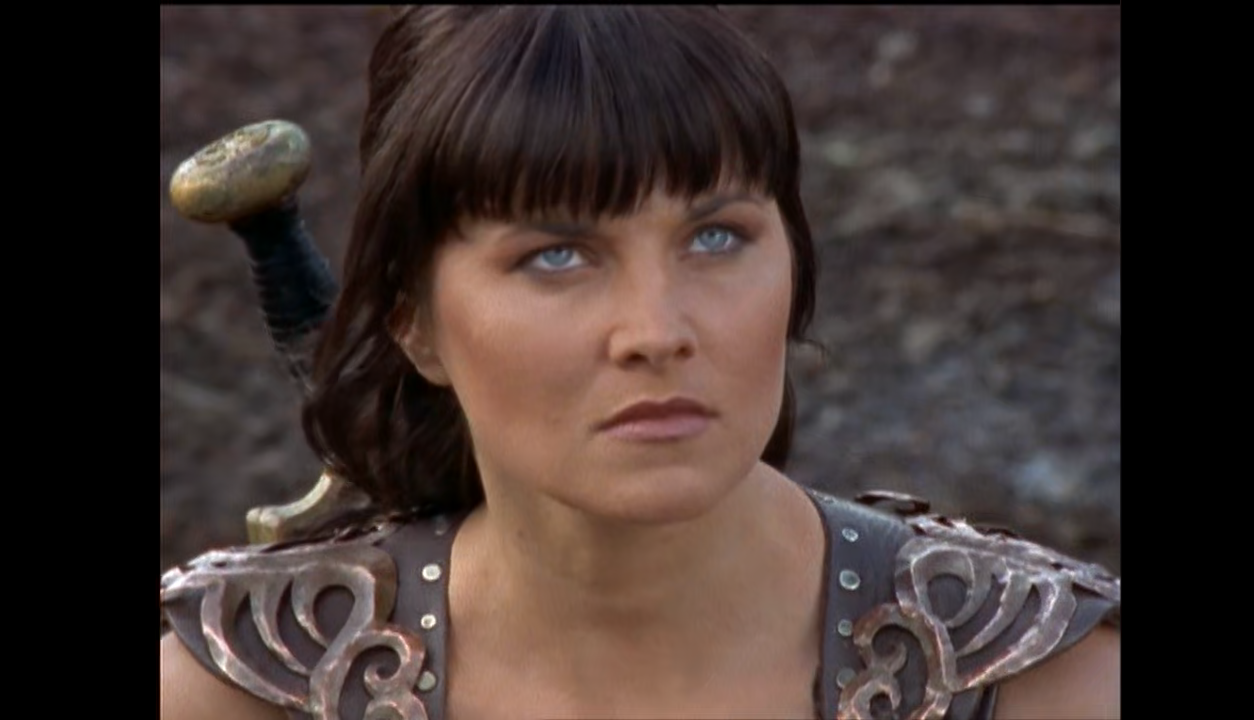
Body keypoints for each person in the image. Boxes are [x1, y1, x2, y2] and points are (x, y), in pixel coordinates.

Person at [160, 6, 1120, 720]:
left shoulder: (1040, 684)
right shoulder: (230, 695)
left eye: (715, 237)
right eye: (557, 256)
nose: (655, 331)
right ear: (413, 324)